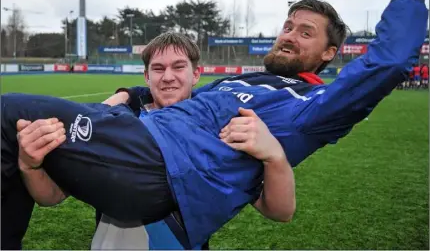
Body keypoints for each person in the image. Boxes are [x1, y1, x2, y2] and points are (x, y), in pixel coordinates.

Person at [1, 0, 427, 248]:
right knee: (14, 133)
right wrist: (128, 97)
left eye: (306, 32)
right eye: (287, 25)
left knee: (5, 113)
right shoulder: (237, 85)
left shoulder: (313, 102)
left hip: (158, 169)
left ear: (330, 53)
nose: (288, 35)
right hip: (136, 158)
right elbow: (166, 97)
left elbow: (385, 64)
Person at [7, 34, 296, 250]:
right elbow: (53, 196)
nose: (167, 77)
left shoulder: (222, 127)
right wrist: (30, 166)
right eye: (158, 68)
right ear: (146, 76)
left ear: (196, 74)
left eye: (178, 66)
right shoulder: (117, 123)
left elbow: (279, 211)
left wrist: (275, 157)